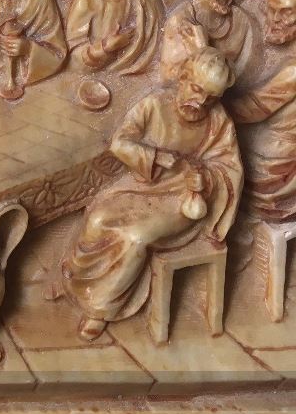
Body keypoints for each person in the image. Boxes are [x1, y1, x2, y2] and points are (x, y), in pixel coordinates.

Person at [59, 47, 242, 341]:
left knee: (136, 237)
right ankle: (78, 286)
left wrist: (205, 178)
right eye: (197, 89)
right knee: (98, 218)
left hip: (182, 199)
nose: (200, 102)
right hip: (142, 186)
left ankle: (100, 309)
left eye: (211, 97)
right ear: (184, 77)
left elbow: (230, 168)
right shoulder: (154, 105)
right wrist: (155, 157)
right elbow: (119, 143)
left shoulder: (218, 122)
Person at [228, 0, 296, 221]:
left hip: (277, 162)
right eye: (272, 10)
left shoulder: (293, 72)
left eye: (285, 12)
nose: (275, 19)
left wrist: (213, 107)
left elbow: (254, 109)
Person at [161, 0, 256, 82]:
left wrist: (202, 48)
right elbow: (171, 82)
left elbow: (249, 78)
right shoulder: (181, 22)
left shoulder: (241, 22)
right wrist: (202, 52)